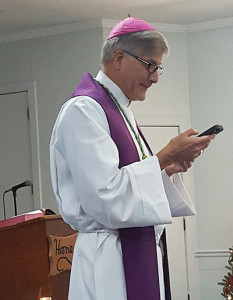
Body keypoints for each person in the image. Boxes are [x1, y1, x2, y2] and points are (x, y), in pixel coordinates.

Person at [50, 17, 215, 300]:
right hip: (108, 263)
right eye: (150, 65)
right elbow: (103, 197)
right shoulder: (84, 110)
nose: (155, 77)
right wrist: (162, 157)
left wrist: (165, 168)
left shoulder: (120, 109)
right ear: (119, 58)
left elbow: (128, 181)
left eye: (158, 67)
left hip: (132, 251)